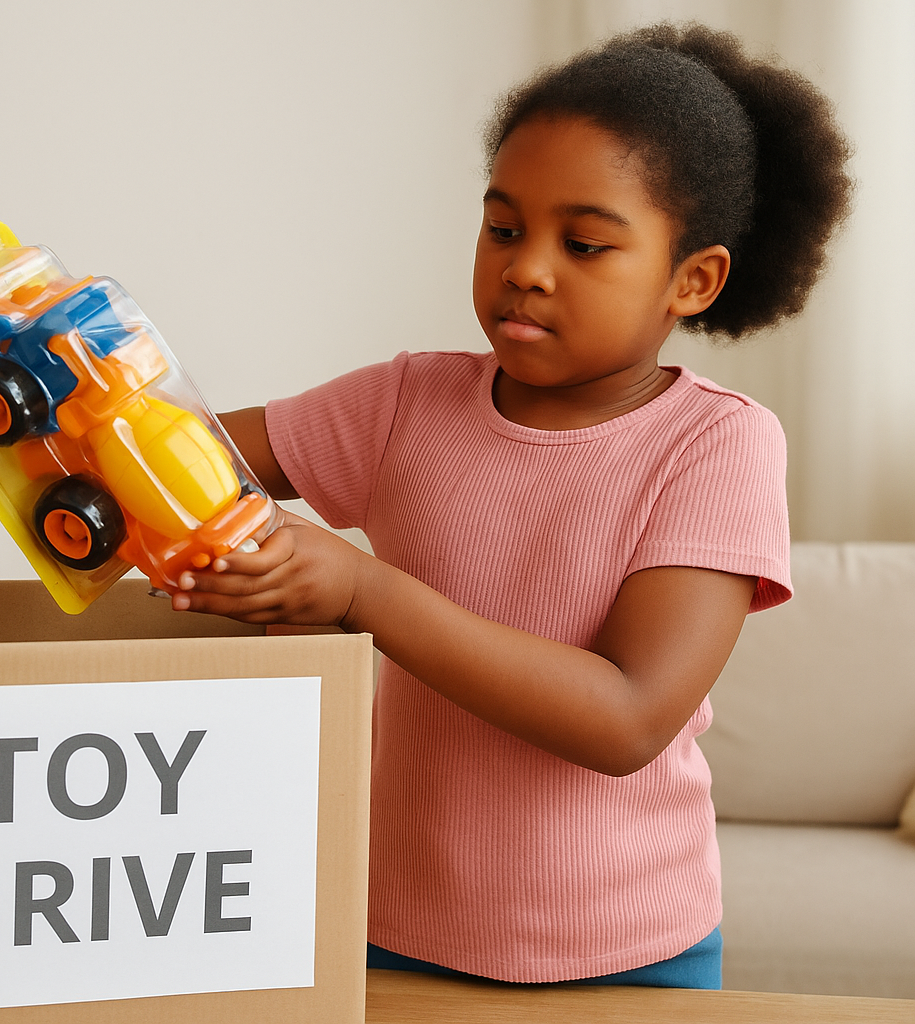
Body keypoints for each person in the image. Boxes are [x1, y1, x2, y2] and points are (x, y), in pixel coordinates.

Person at [171, 22, 853, 988]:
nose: (526, 267)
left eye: (583, 243)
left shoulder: (718, 445)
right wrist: (68, 387)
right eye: (503, 228)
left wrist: (363, 592)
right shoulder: (406, 401)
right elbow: (176, 460)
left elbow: (626, 719)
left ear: (691, 280)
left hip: (631, 955)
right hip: (387, 925)